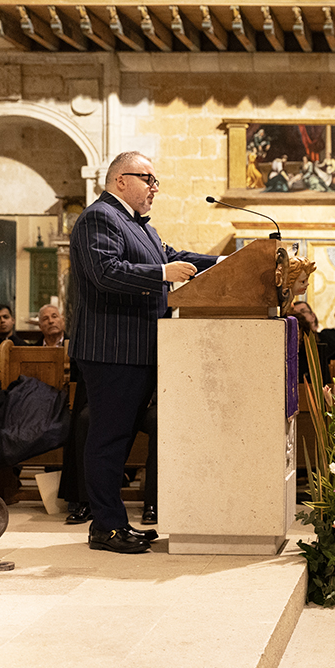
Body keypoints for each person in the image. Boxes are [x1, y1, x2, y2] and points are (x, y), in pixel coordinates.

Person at [69, 150, 219, 554]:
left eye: (156, 182)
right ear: (120, 180)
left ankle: (113, 522)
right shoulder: (99, 217)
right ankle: (106, 527)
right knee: (108, 440)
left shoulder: (140, 227)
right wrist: (160, 275)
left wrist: (227, 261)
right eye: (147, 179)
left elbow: (175, 258)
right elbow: (105, 273)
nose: (155, 188)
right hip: (112, 349)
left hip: (137, 350)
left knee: (118, 440)